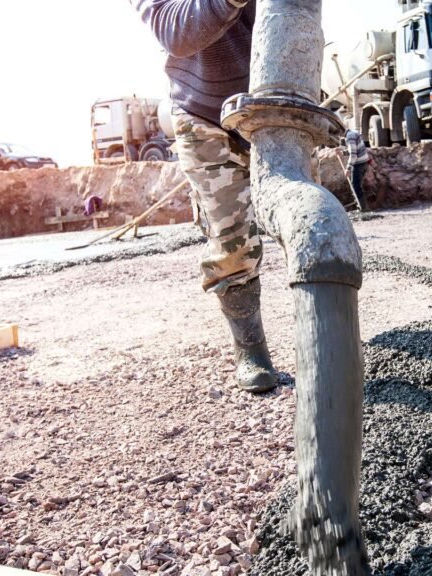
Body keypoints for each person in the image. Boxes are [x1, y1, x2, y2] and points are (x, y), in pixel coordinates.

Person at [130, 0, 277, 393]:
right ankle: (250, 348)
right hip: (203, 114)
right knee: (231, 240)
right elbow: (177, 32)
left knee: (300, 220)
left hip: (273, 101)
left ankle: (323, 335)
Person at [343, 129, 370, 211]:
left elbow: (353, 155)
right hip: (364, 162)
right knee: (357, 186)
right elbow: (354, 150)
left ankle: (364, 209)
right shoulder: (353, 133)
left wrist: (348, 168)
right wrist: (343, 153)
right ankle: (362, 206)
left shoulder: (349, 137)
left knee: (356, 186)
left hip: (359, 164)